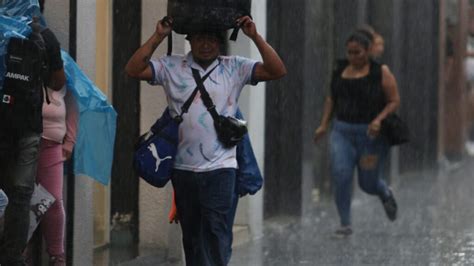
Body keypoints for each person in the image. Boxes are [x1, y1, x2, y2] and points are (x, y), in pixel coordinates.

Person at [126, 15, 286, 265]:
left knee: (216, 233)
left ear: (220, 43)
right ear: (190, 40)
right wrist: (158, 36)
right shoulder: (171, 66)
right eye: (200, 39)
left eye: (212, 39)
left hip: (222, 170)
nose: (206, 45)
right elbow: (133, 69)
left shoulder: (235, 67)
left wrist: (254, 36)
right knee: (191, 237)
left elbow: (277, 70)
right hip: (182, 171)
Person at [313, 30, 399, 237]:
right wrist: (324, 124)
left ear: (368, 51)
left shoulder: (381, 72)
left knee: (367, 183)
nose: (353, 57)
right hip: (342, 131)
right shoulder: (339, 70)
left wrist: (379, 120)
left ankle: (384, 192)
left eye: (358, 52)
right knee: (341, 174)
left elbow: (394, 100)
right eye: (350, 52)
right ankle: (345, 223)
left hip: (370, 135)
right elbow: (331, 99)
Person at [0, 0, 66, 264]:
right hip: (28, 126)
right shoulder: (43, 35)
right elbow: (58, 81)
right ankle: (13, 255)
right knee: (21, 192)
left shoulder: (3, 30)